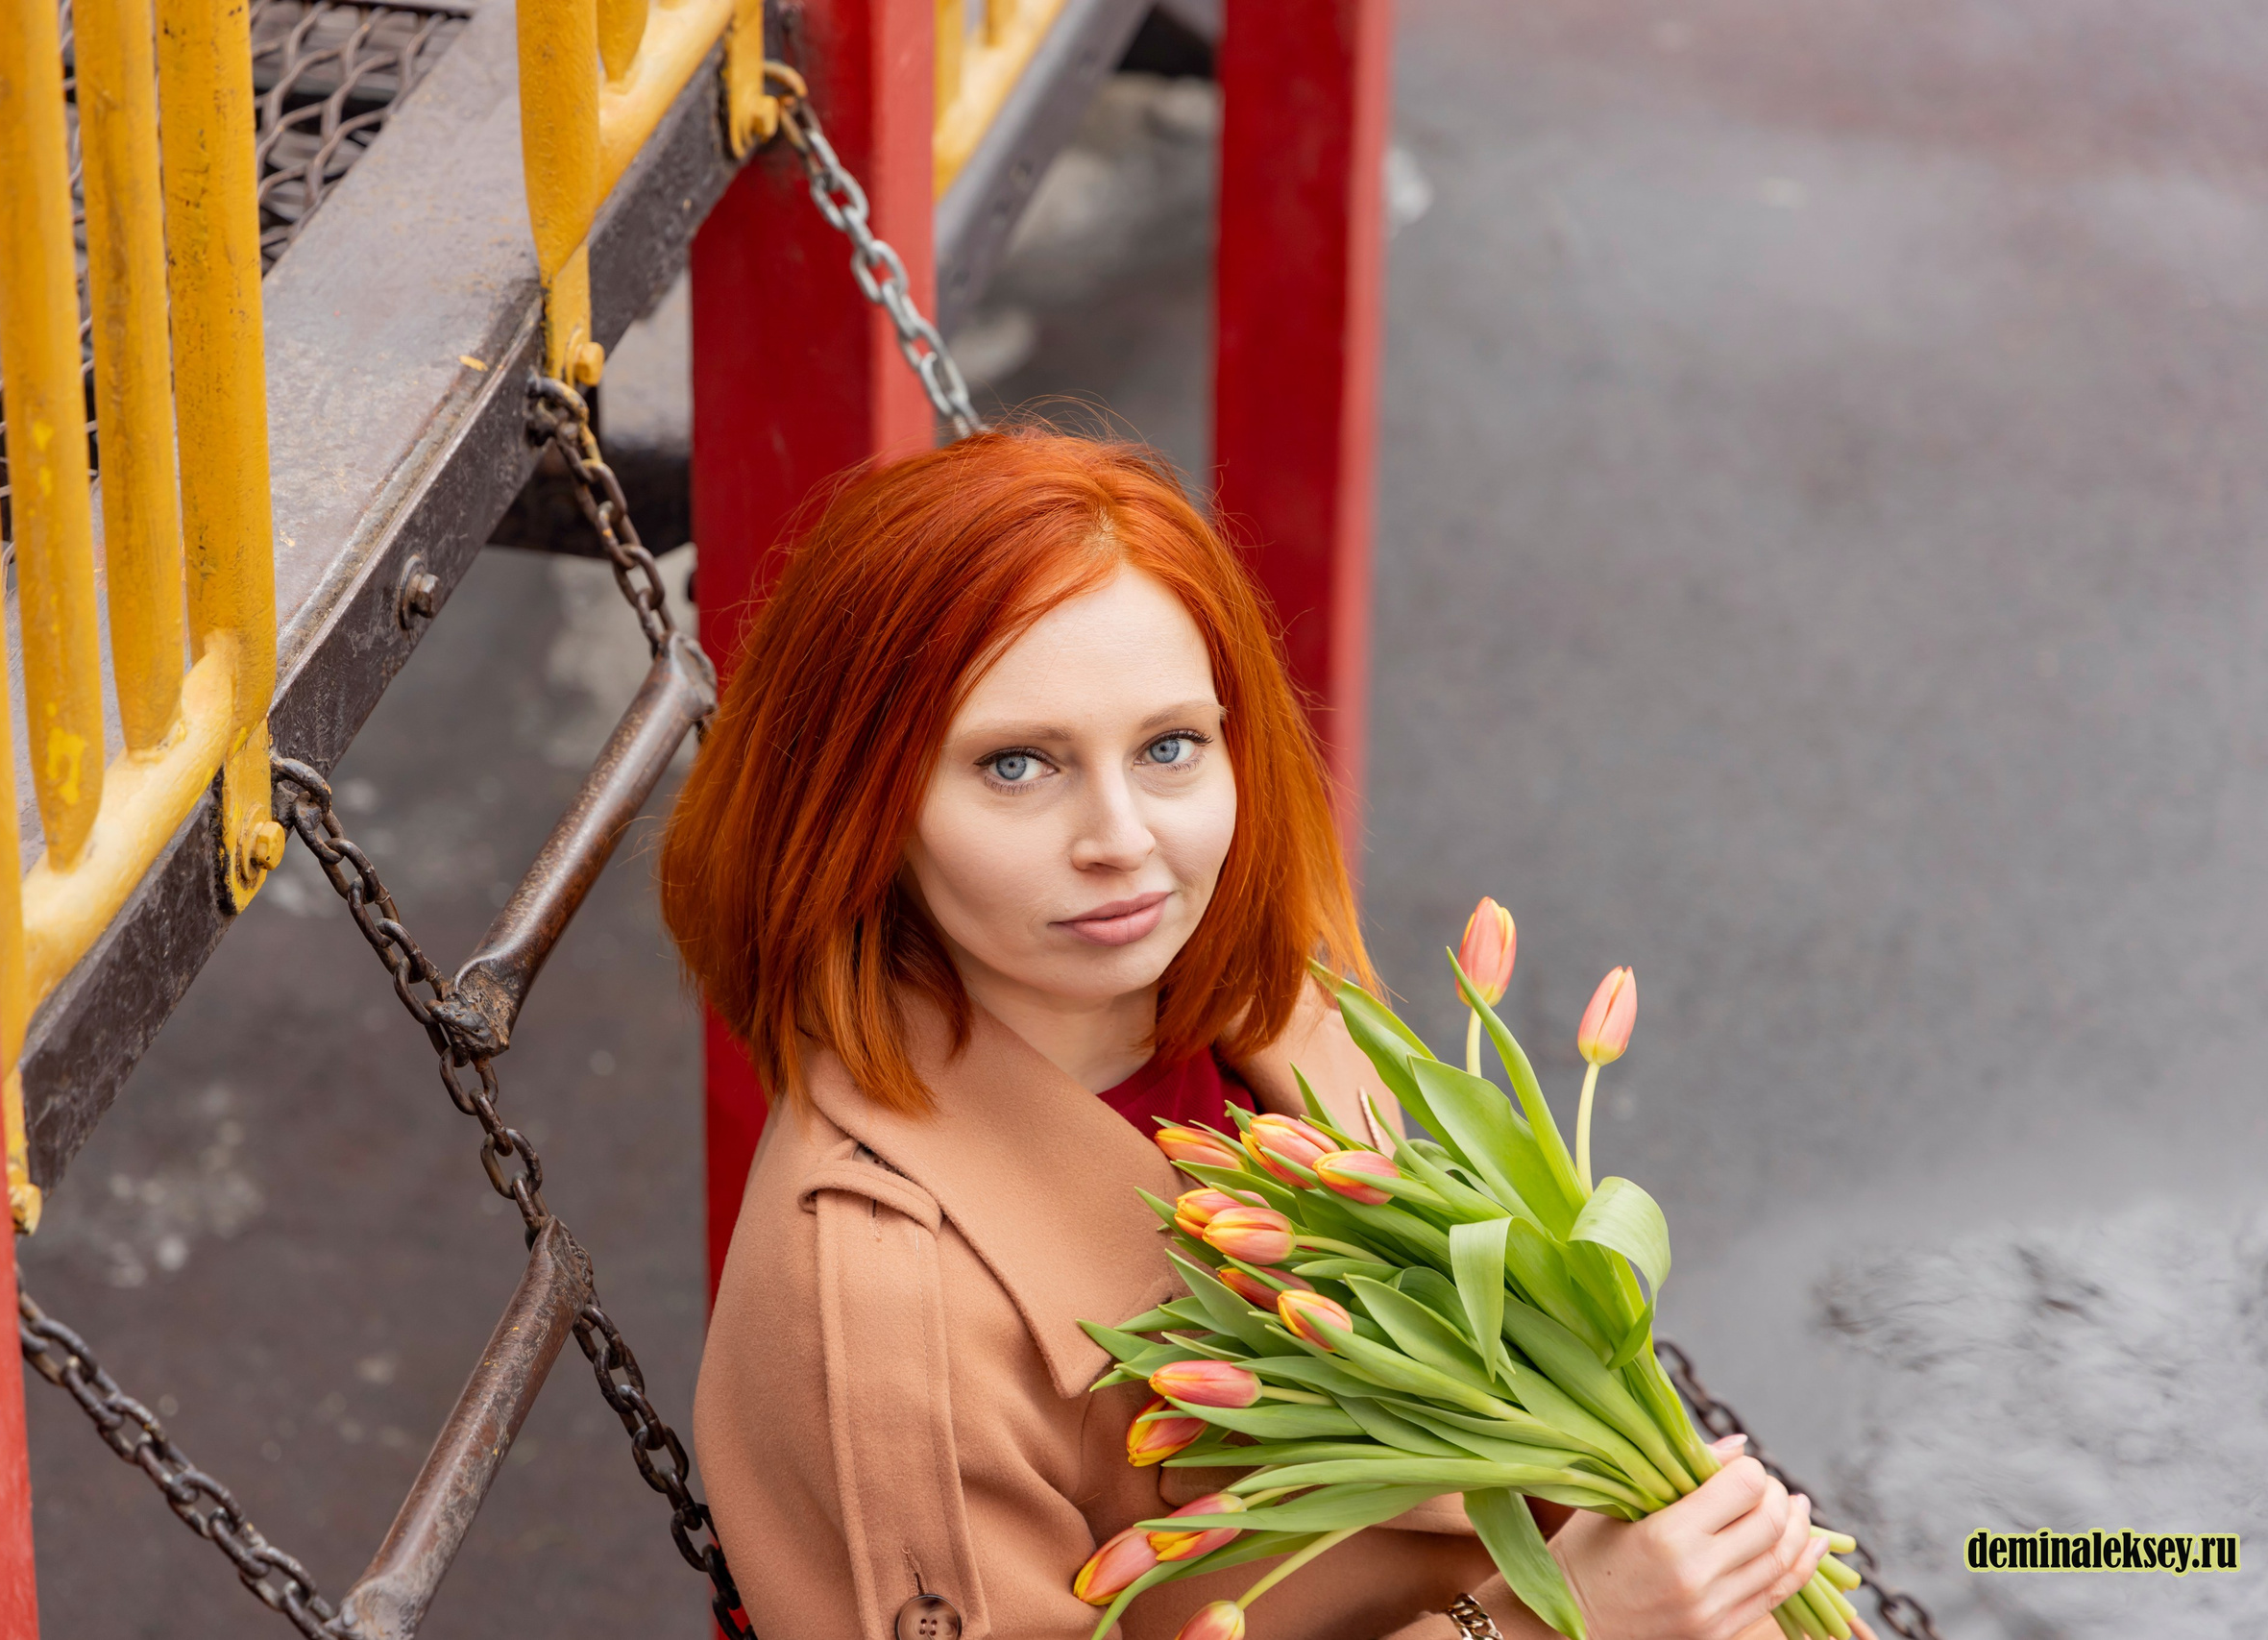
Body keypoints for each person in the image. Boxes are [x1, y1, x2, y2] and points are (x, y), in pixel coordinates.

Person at [662, 430, 1837, 1640]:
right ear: (864, 803)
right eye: (1016, 765)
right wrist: (1565, 1623)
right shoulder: (876, 1318)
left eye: (1169, 746)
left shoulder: (1256, 999)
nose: (1122, 838)